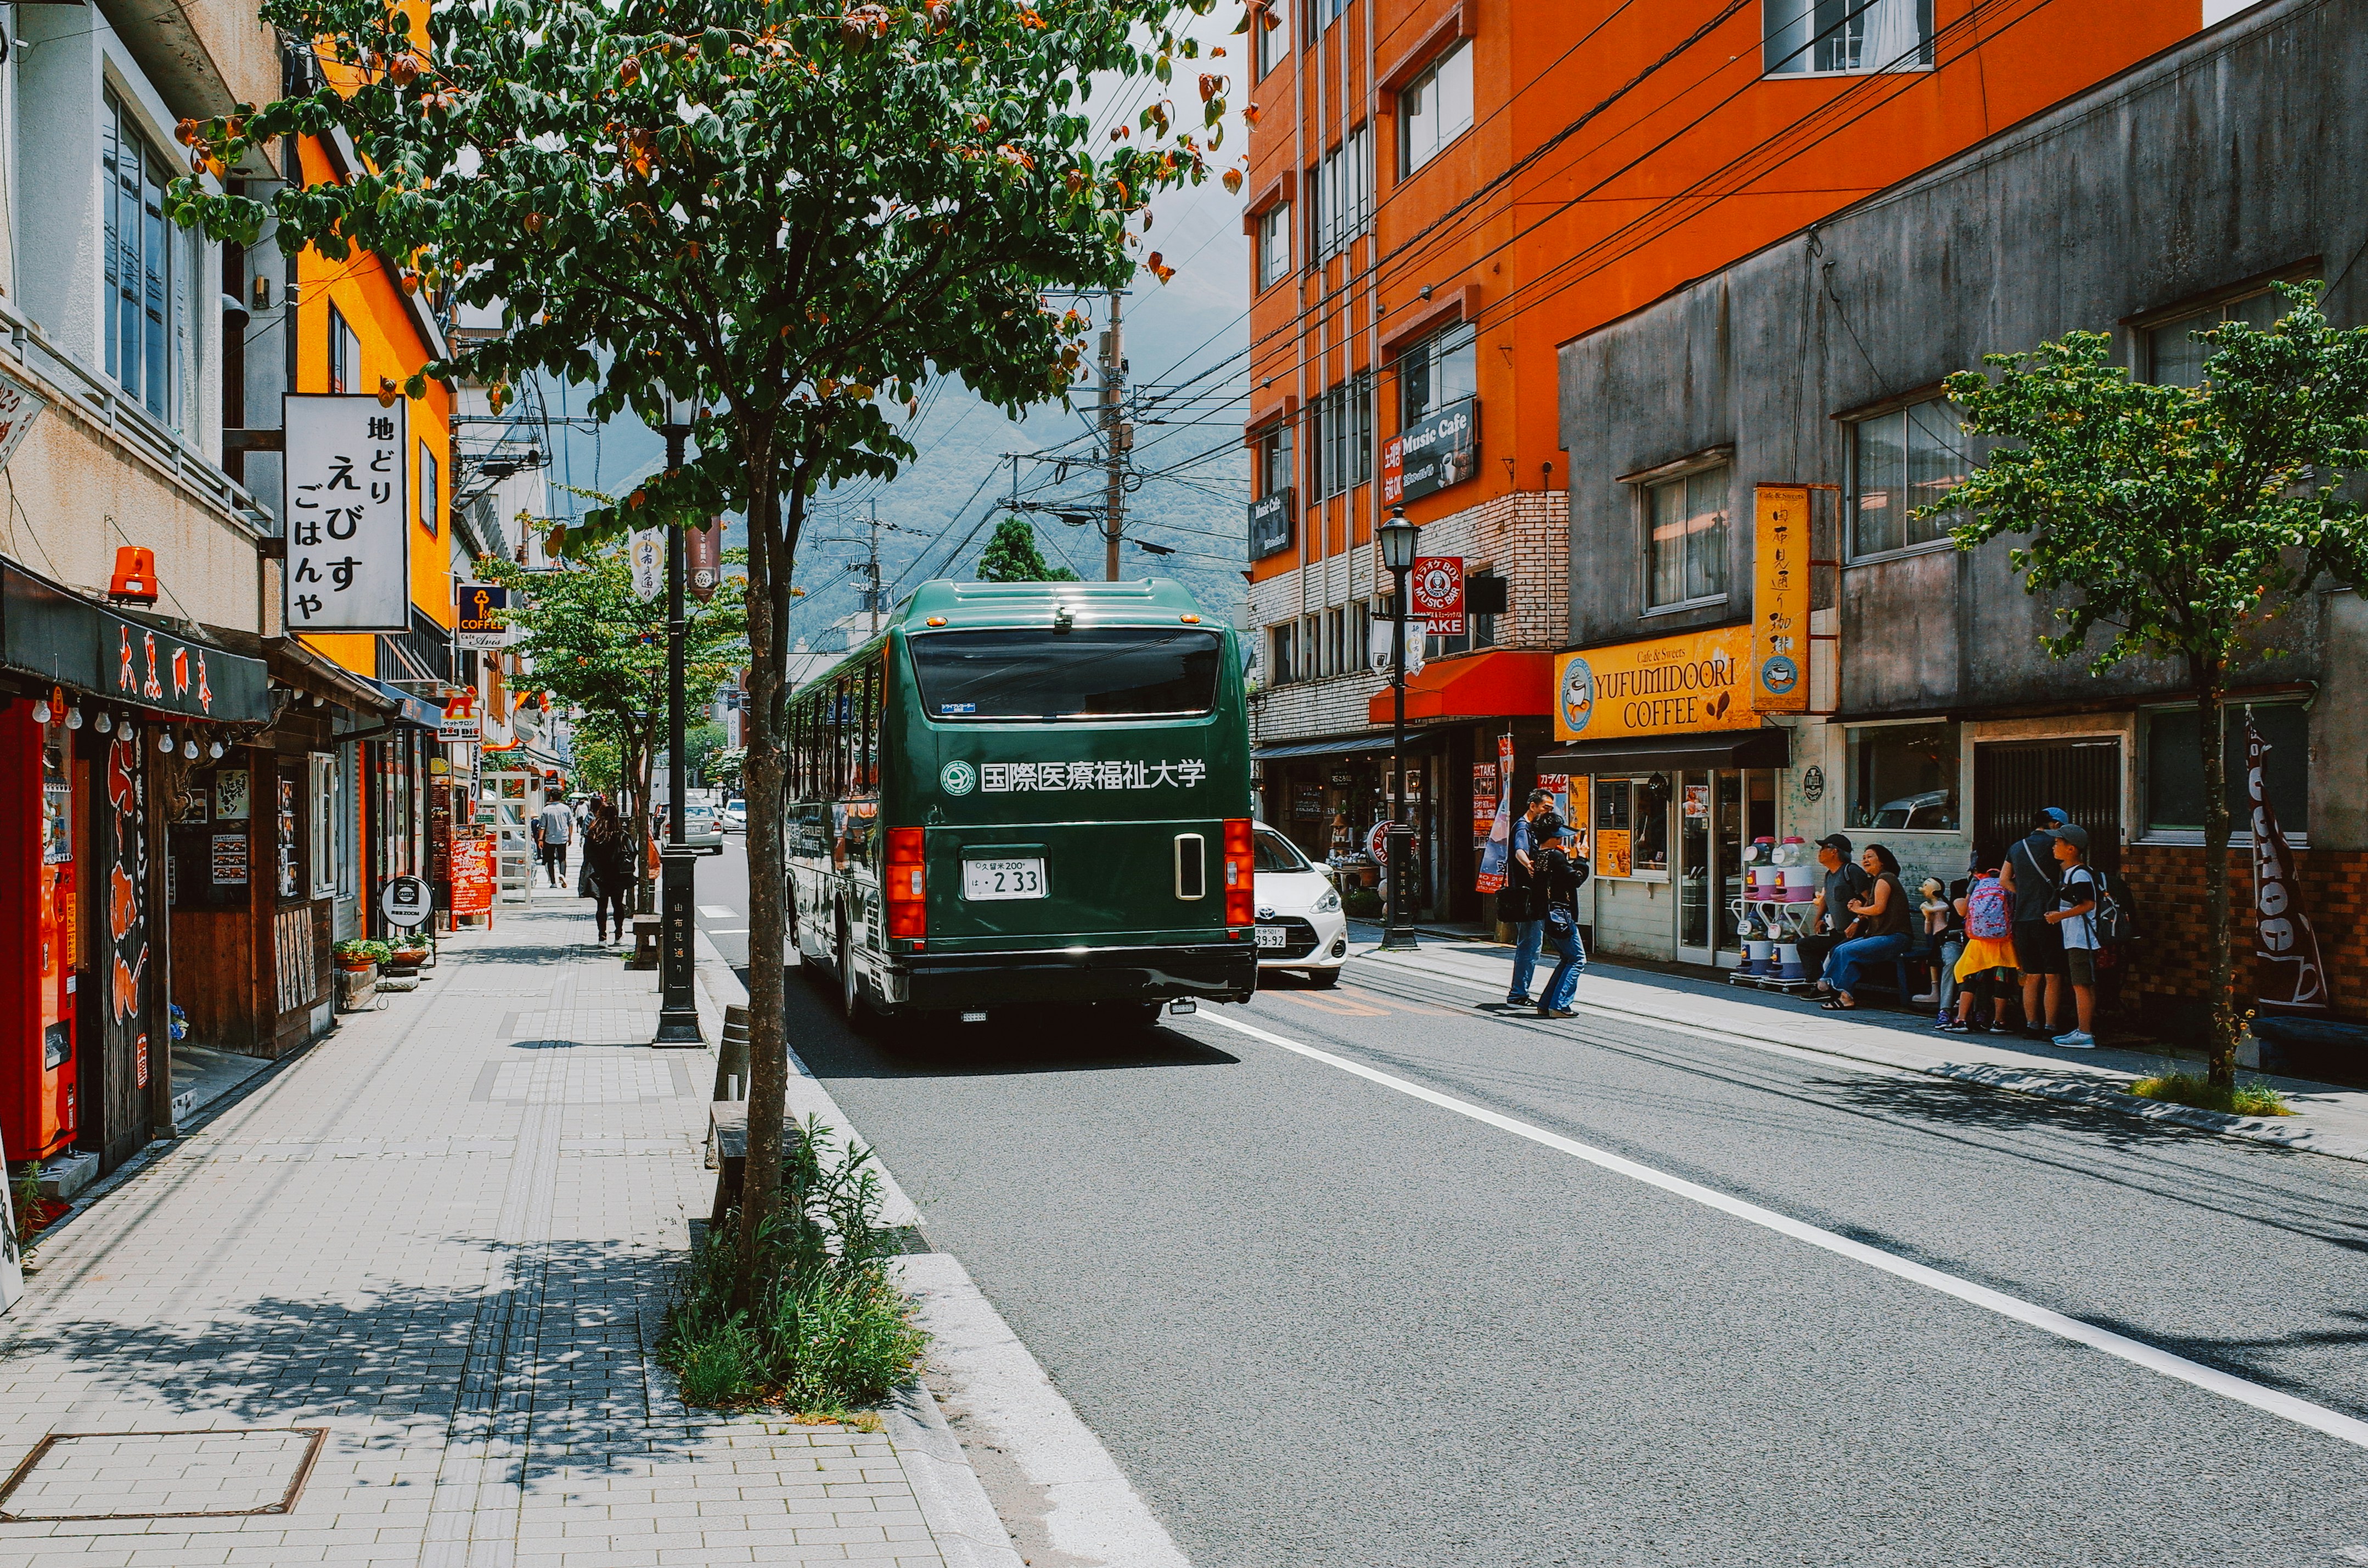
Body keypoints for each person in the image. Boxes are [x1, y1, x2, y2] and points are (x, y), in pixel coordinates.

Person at [2000, 806, 2071, 1037]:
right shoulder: (2056, 847)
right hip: (2049, 918)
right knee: (2053, 974)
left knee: (2032, 975)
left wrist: (2023, 893)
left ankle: (2031, 1025)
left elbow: (2004, 880)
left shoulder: (2016, 847)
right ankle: (2051, 1026)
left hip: (2023, 918)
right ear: (2056, 825)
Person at [1818, 844, 1911, 1010]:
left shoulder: (1885, 879)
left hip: (1895, 938)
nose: (1865, 860)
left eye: (1870, 856)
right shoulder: (1877, 881)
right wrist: (1859, 910)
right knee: (1840, 950)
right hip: (1880, 936)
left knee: (1847, 952)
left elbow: (1878, 908)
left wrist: (1858, 909)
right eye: (1864, 857)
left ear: (1882, 861)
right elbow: (1868, 910)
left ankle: (1830, 984)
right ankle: (1843, 995)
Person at [1940, 861, 2021, 1034]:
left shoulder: (1978, 881)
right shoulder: (2012, 881)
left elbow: (1963, 910)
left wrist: (1958, 899)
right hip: (2003, 940)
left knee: (1969, 977)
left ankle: (1961, 1020)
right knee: (2002, 978)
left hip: (1979, 940)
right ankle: (1999, 1022)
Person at [2046, 822, 2101, 1048]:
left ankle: (2085, 1033)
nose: (2054, 846)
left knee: (2081, 985)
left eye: (2058, 842)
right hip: (2078, 938)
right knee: (2083, 985)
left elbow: (2089, 904)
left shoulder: (2079, 875)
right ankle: (2083, 1029)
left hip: (2082, 938)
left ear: (2072, 849)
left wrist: (2060, 916)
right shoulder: (2073, 874)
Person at [1531, 814, 1590, 1018]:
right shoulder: (1555, 857)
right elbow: (1575, 879)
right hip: (1561, 916)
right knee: (1577, 959)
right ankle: (1560, 1005)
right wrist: (1581, 859)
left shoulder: (1540, 855)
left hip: (1546, 915)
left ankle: (1547, 1004)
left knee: (1567, 959)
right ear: (1554, 837)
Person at [1504, 789, 1556, 1007]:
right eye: (1546, 807)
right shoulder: (1523, 827)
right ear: (1533, 805)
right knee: (1530, 945)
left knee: (1531, 943)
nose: (1548, 811)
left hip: (1530, 895)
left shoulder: (1532, 828)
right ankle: (1518, 994)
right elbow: (1519, 851)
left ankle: (1519, 992)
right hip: (1526, 896)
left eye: (1551, 808)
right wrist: (1529, 864)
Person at [1799, 834, 1871, 992]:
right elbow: (1825, 899)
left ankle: (1830, 989)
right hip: (1838, 932)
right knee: (1805, 945)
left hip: (1857, 933)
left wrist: (1857, 922)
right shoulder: (1829, 875)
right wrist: (1818, 919)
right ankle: (1818, 983)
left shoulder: (1851, 871)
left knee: (1835, 952)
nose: (1820, 852)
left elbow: (1871, 898)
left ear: (1835, 852)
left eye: (1824, 848)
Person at [580, 795, 632, 943]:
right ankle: (619, 935)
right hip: (617, 875)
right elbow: (632, 852)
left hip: (599, 875)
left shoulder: (593, 834)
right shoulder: (621, 835)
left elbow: (588, 855)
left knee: (601, 906)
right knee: (617, 905)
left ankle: (602, 937)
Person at [535, 794, 576, 888]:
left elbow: (542, 826)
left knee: (550, 860)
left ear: (551, 797)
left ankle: (553, 882)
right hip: (562, 837)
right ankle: (562, 875)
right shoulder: (566, 809)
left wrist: (540, 839)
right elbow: (570, 824)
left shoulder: (546, 810)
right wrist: (570, 837)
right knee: (562, 858)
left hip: (549, 838)